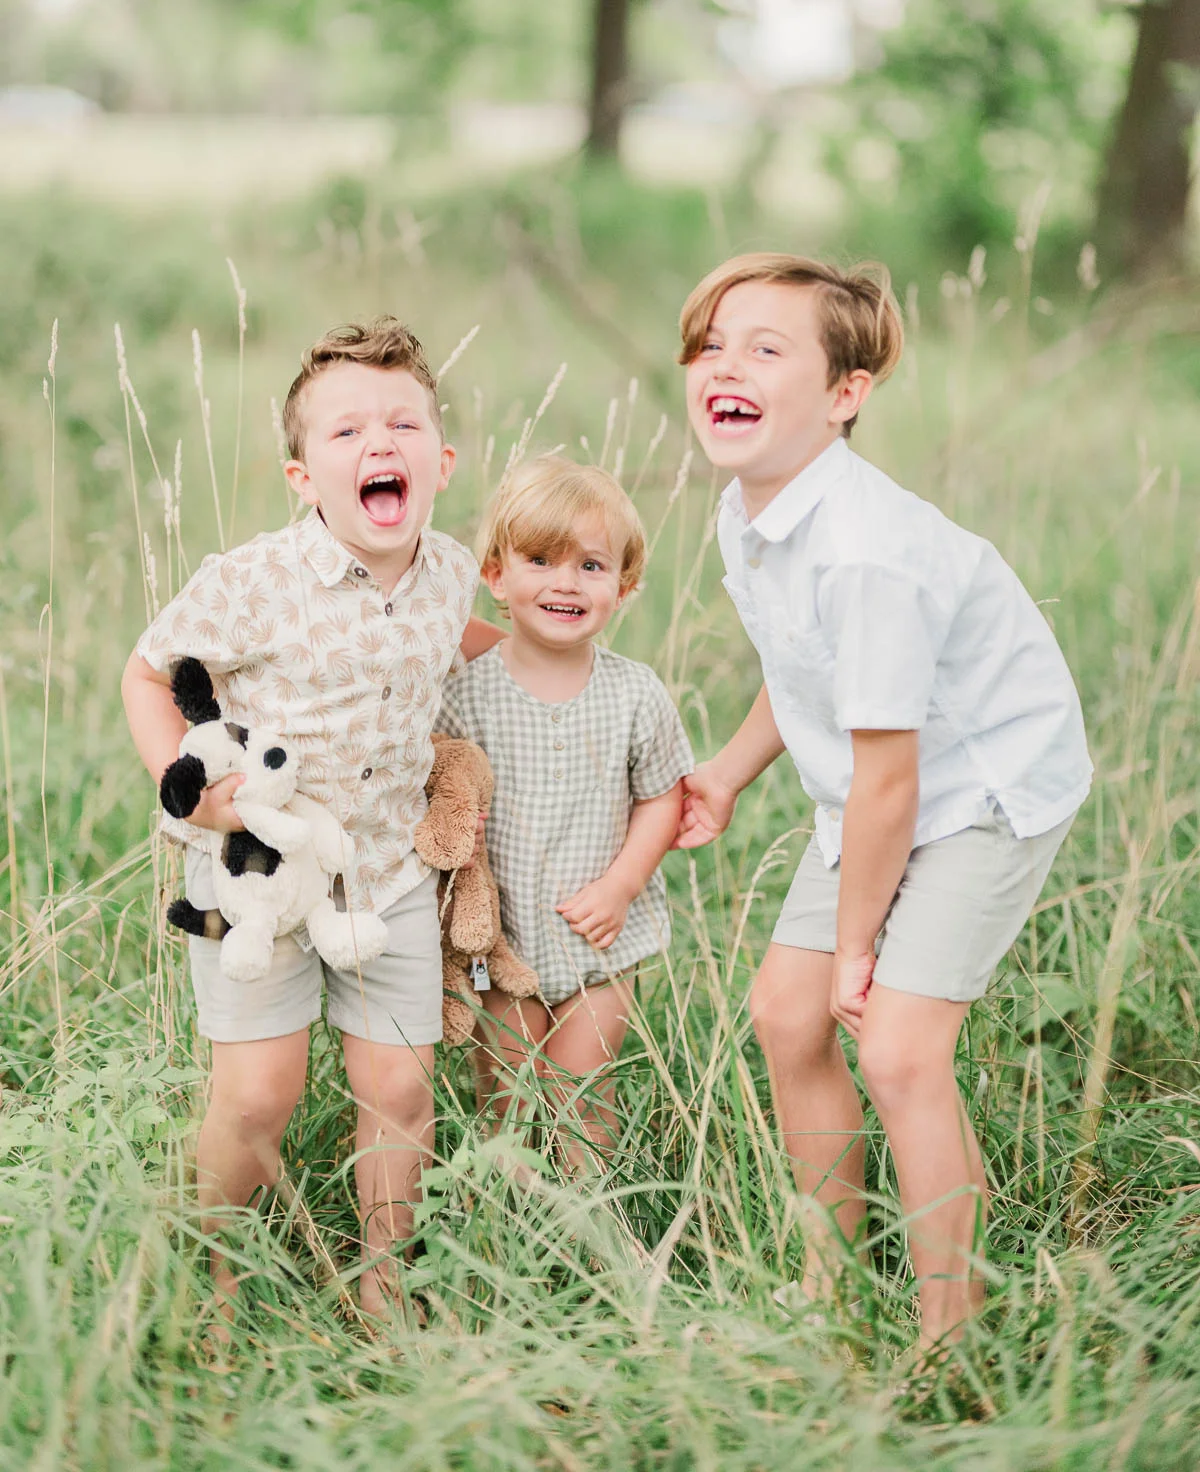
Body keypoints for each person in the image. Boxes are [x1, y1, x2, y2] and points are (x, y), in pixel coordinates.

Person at [674, 253, 1091, 1356]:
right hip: (875, 788)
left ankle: (949, 1327)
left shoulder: (865, 550)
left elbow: (897, 778)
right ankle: (832, 1280)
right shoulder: (749, 509)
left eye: (768, 348)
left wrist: (859, 947)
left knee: (900, 1046)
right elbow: (805, 667)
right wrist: (726, 768)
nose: (727, 364)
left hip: (984, 784)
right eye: (713, 344)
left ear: (845, 394)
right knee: (784, 1012)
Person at [121, 317, 502, 1327]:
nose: (379, 444)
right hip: (259, 876)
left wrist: (559, 652)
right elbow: (148, 670)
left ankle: (385, 1286)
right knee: (258, 1095)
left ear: (441, 458)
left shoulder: (451, 570)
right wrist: (184, 782)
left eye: (402, 423)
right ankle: (215, 1281)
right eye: (345, 433)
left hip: (386, 872)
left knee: (401, 1090)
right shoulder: (252, 581)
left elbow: (460, 642)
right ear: (302, 478)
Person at [437, 455, 693, 1172]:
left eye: (591, 565)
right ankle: (512, 1227)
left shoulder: (635, 694)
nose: (565, 582)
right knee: (508, 1100)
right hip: (502, 946)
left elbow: (663, 795)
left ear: (624, 585)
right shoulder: (470, 695)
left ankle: (589, 1241)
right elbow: (450, 793)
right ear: (496, 575)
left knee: (583, 1102)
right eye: (541, 560)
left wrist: (621, 887)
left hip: (602, 945)